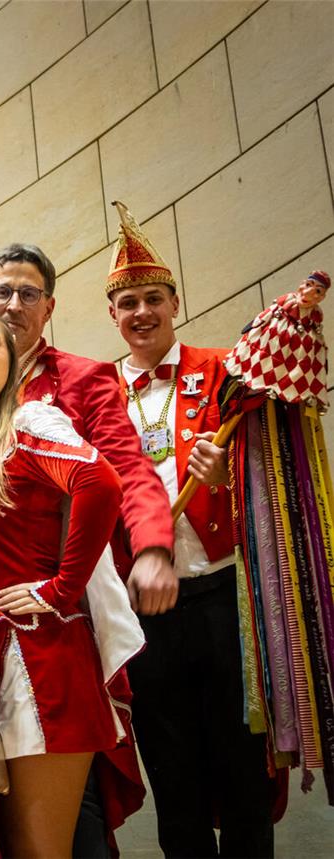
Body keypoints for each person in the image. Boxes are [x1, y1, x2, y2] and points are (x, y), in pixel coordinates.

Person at [0, 242, 172, 853]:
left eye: (28, 294)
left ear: (49, 307)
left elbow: (124, 470)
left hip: (59, 617)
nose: (13, 304)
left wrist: (151, 548)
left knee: (69, 790)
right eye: (2, 292)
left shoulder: (82, 378)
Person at [0, 308, 143, 859]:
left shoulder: (30, 425)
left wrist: (60, 588)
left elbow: (101, 482)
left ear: (12, 361)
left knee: (39, 849)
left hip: (40, 662)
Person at [105, 202, 276, 856]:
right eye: (126, 301)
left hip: (224, 595)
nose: (141, 311)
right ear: (112, 315)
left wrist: (229, 472)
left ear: (175, 301)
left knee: (242, 772)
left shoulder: (224, 368)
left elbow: (275, 472)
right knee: (174, 781)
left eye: (152, 297)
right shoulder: (98, 397)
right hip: (143, 612)